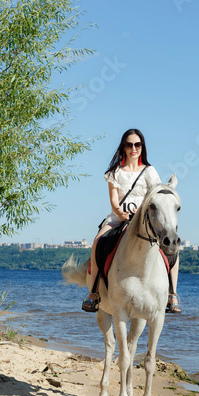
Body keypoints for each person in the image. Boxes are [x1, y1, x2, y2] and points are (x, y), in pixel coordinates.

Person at [82, 129, 181, 313]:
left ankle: (172, 293)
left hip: (143, 219)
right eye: (129, 145)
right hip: (119, 217)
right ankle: (93, 292)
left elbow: (156, 196)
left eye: (137, 144)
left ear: (142, 147)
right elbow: (113, 199)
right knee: (97, 241)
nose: (133, 148)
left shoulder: (150, 171)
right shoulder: (115, 172)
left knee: (172, 245)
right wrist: (121, 214)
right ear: (123, 147)